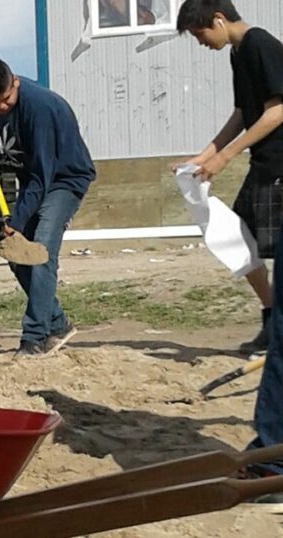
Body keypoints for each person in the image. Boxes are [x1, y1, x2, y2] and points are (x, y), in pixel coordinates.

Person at [177, 0, 283, 499]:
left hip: (279, 175)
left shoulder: (260, 44)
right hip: (268, 176)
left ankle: (273, 454)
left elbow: (279, 109)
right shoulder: (239, 58)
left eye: (201, 35)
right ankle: (270, 311)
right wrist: (206, 153)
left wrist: (226, 157)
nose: (202, 44)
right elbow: (245, 112)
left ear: (219, 19)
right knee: (236, 234)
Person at [0, 57, 96, 358]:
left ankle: (35, 338)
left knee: (40, 251)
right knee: (18, 257)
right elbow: (9, 146)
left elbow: (42, 177)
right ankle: (57, 324)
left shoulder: (39, 108)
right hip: (35, 181)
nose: (0, 108)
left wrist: (16, 221)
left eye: (5, 101)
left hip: (64, 179)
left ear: (14, 82)